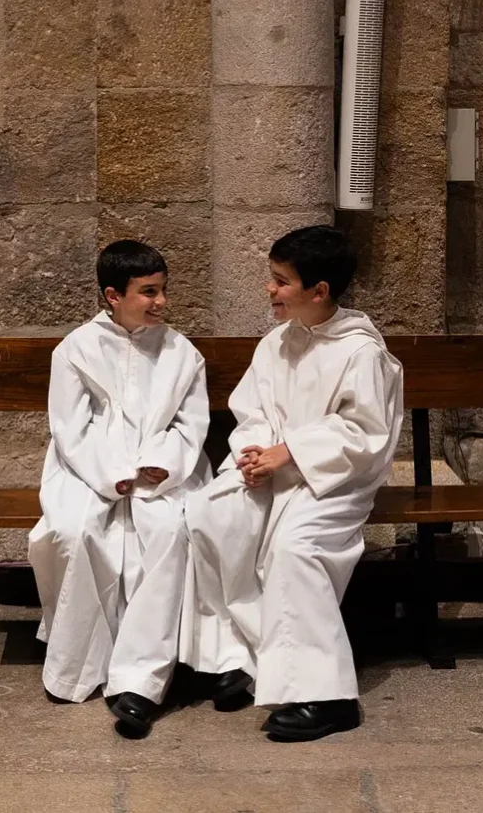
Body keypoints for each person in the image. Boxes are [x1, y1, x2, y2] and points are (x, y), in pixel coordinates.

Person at [182, 225, 405, 742]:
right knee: (209, 514)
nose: (270, 290)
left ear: (319, 291)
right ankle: (235, 659)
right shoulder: (277, 342)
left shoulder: (360, 352)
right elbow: (252, 409)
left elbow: (365, 433)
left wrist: (291, 453)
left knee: (295, 547)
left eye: (281, 282)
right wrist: (255, 452)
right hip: (275, 470)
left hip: (336, 482)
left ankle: (327, 696)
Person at [28, 239, 210, 739]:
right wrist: (114, 476)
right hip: (89, 466)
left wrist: (158, 465)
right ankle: (82, 659)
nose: (161, 302)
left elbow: (190, 425)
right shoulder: (76, 349)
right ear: (113, 294)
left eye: (163, 290)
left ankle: (140, 677)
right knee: (77, 529)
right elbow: (71, 427)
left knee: (170, 528)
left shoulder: (180, 352)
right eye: (148, 292)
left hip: (165, 468)